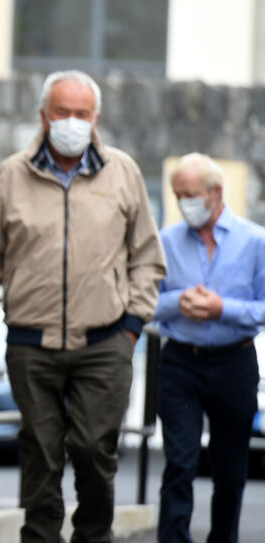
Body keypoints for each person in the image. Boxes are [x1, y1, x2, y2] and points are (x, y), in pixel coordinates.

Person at [0, 70, 166, 543]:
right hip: (31, 344)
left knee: (97, 450)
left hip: (106, 341)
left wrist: (133, 323)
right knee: (40, 454)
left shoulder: (123, 171)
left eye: (82, 114)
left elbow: (148, 257)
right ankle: (40, 537)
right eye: (62, 113)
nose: (72, 122)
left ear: (96, 119)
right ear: (43, 115)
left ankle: (94, 536)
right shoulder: (13, 173)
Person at [155, 153, 264, 543]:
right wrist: (178, 301)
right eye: (178, 194)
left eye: (191, 194)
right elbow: (146, 302)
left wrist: (223, 308)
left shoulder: (255, 240)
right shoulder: (166, 240)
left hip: (235, 361)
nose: (185, 202)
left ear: (216, 193)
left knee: (231, 468)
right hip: (181, 361)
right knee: (180, 463)